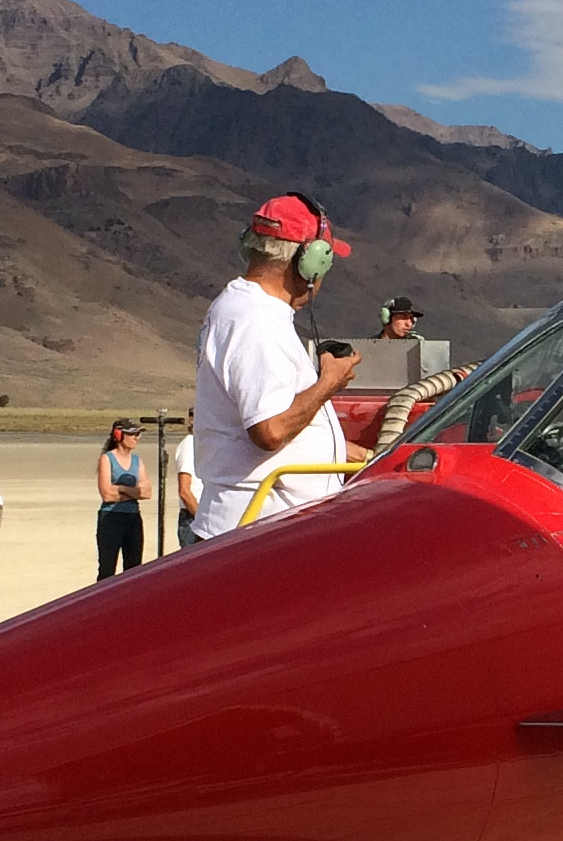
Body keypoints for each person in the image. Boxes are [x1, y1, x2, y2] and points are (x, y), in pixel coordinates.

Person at [188, 192, 368, 539]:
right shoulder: (255, 320)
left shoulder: (245, 310)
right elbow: (270, 430)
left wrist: (338, 451)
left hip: (259, 528)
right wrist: (329, 382)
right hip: (259, 532)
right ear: (309, 263)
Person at [95, 419, 146, 577]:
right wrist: (133, 492)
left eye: (137, 434)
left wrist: (121, 489)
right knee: (107, 568)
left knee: (134, 569)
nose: (136, 437)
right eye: (132, 434)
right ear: (119, 435)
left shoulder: (137, 461)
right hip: (111, 518)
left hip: (133, 518)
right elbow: (107, 494)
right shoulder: (107, 459)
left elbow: (146, 492)